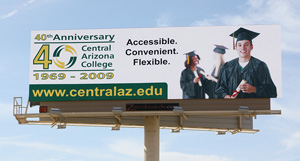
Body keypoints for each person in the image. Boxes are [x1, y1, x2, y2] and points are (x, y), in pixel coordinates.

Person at [215, 27, 277, 98]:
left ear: (251, 47)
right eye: (240, 45)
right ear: (235, 47)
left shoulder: (260, 66)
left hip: (253, 107)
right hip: (232, 107)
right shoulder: (227, 67)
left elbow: (272, 91)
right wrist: (226, 96)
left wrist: (254, 89)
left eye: (246, 45)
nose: (243, 48)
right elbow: (219, 90)